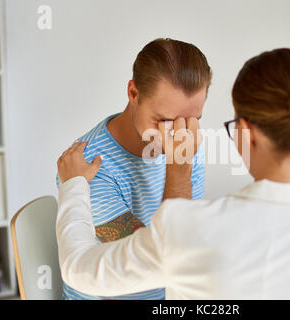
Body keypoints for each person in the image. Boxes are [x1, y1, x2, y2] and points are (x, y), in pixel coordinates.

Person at [56, 48, 290, 299]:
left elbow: (80, 269)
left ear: (244, 132)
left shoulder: (188, 229)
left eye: (192, 121)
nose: (180, 134)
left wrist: (73, 187)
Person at [55, 38, 211, 300]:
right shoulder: (88, 169)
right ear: (133, 93)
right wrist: (179, 170)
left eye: (192, 120)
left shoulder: (186, 139)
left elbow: (190, 241)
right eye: (164, 121)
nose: (178, 134)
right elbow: (165, 259)